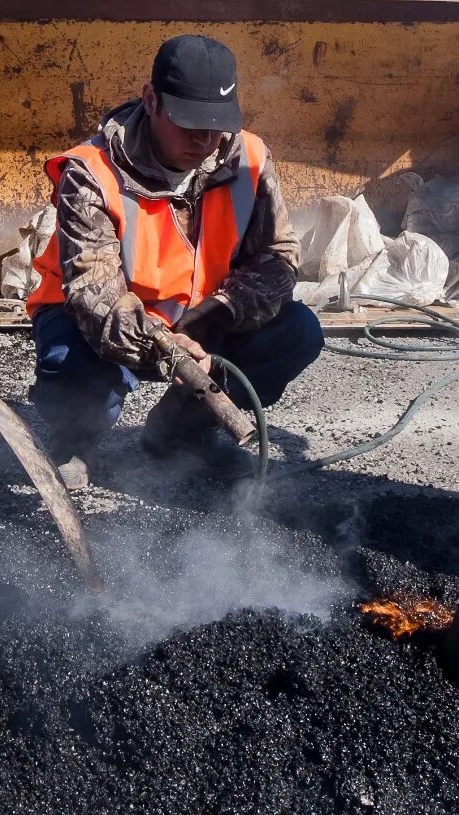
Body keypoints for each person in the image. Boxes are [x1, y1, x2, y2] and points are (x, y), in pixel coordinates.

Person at [22, 35, 324, 486]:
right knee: (72, 370)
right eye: (189, 125)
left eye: (216, 126)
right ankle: (75, 441)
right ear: (151, 100)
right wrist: (166, 348)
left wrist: (226, 308)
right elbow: (94, 294)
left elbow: (278, 259)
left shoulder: (251, 160)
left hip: (204, 315)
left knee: (298, 331)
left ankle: (177, 433)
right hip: (96, 319)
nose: (204, 141)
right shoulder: (90, 174)